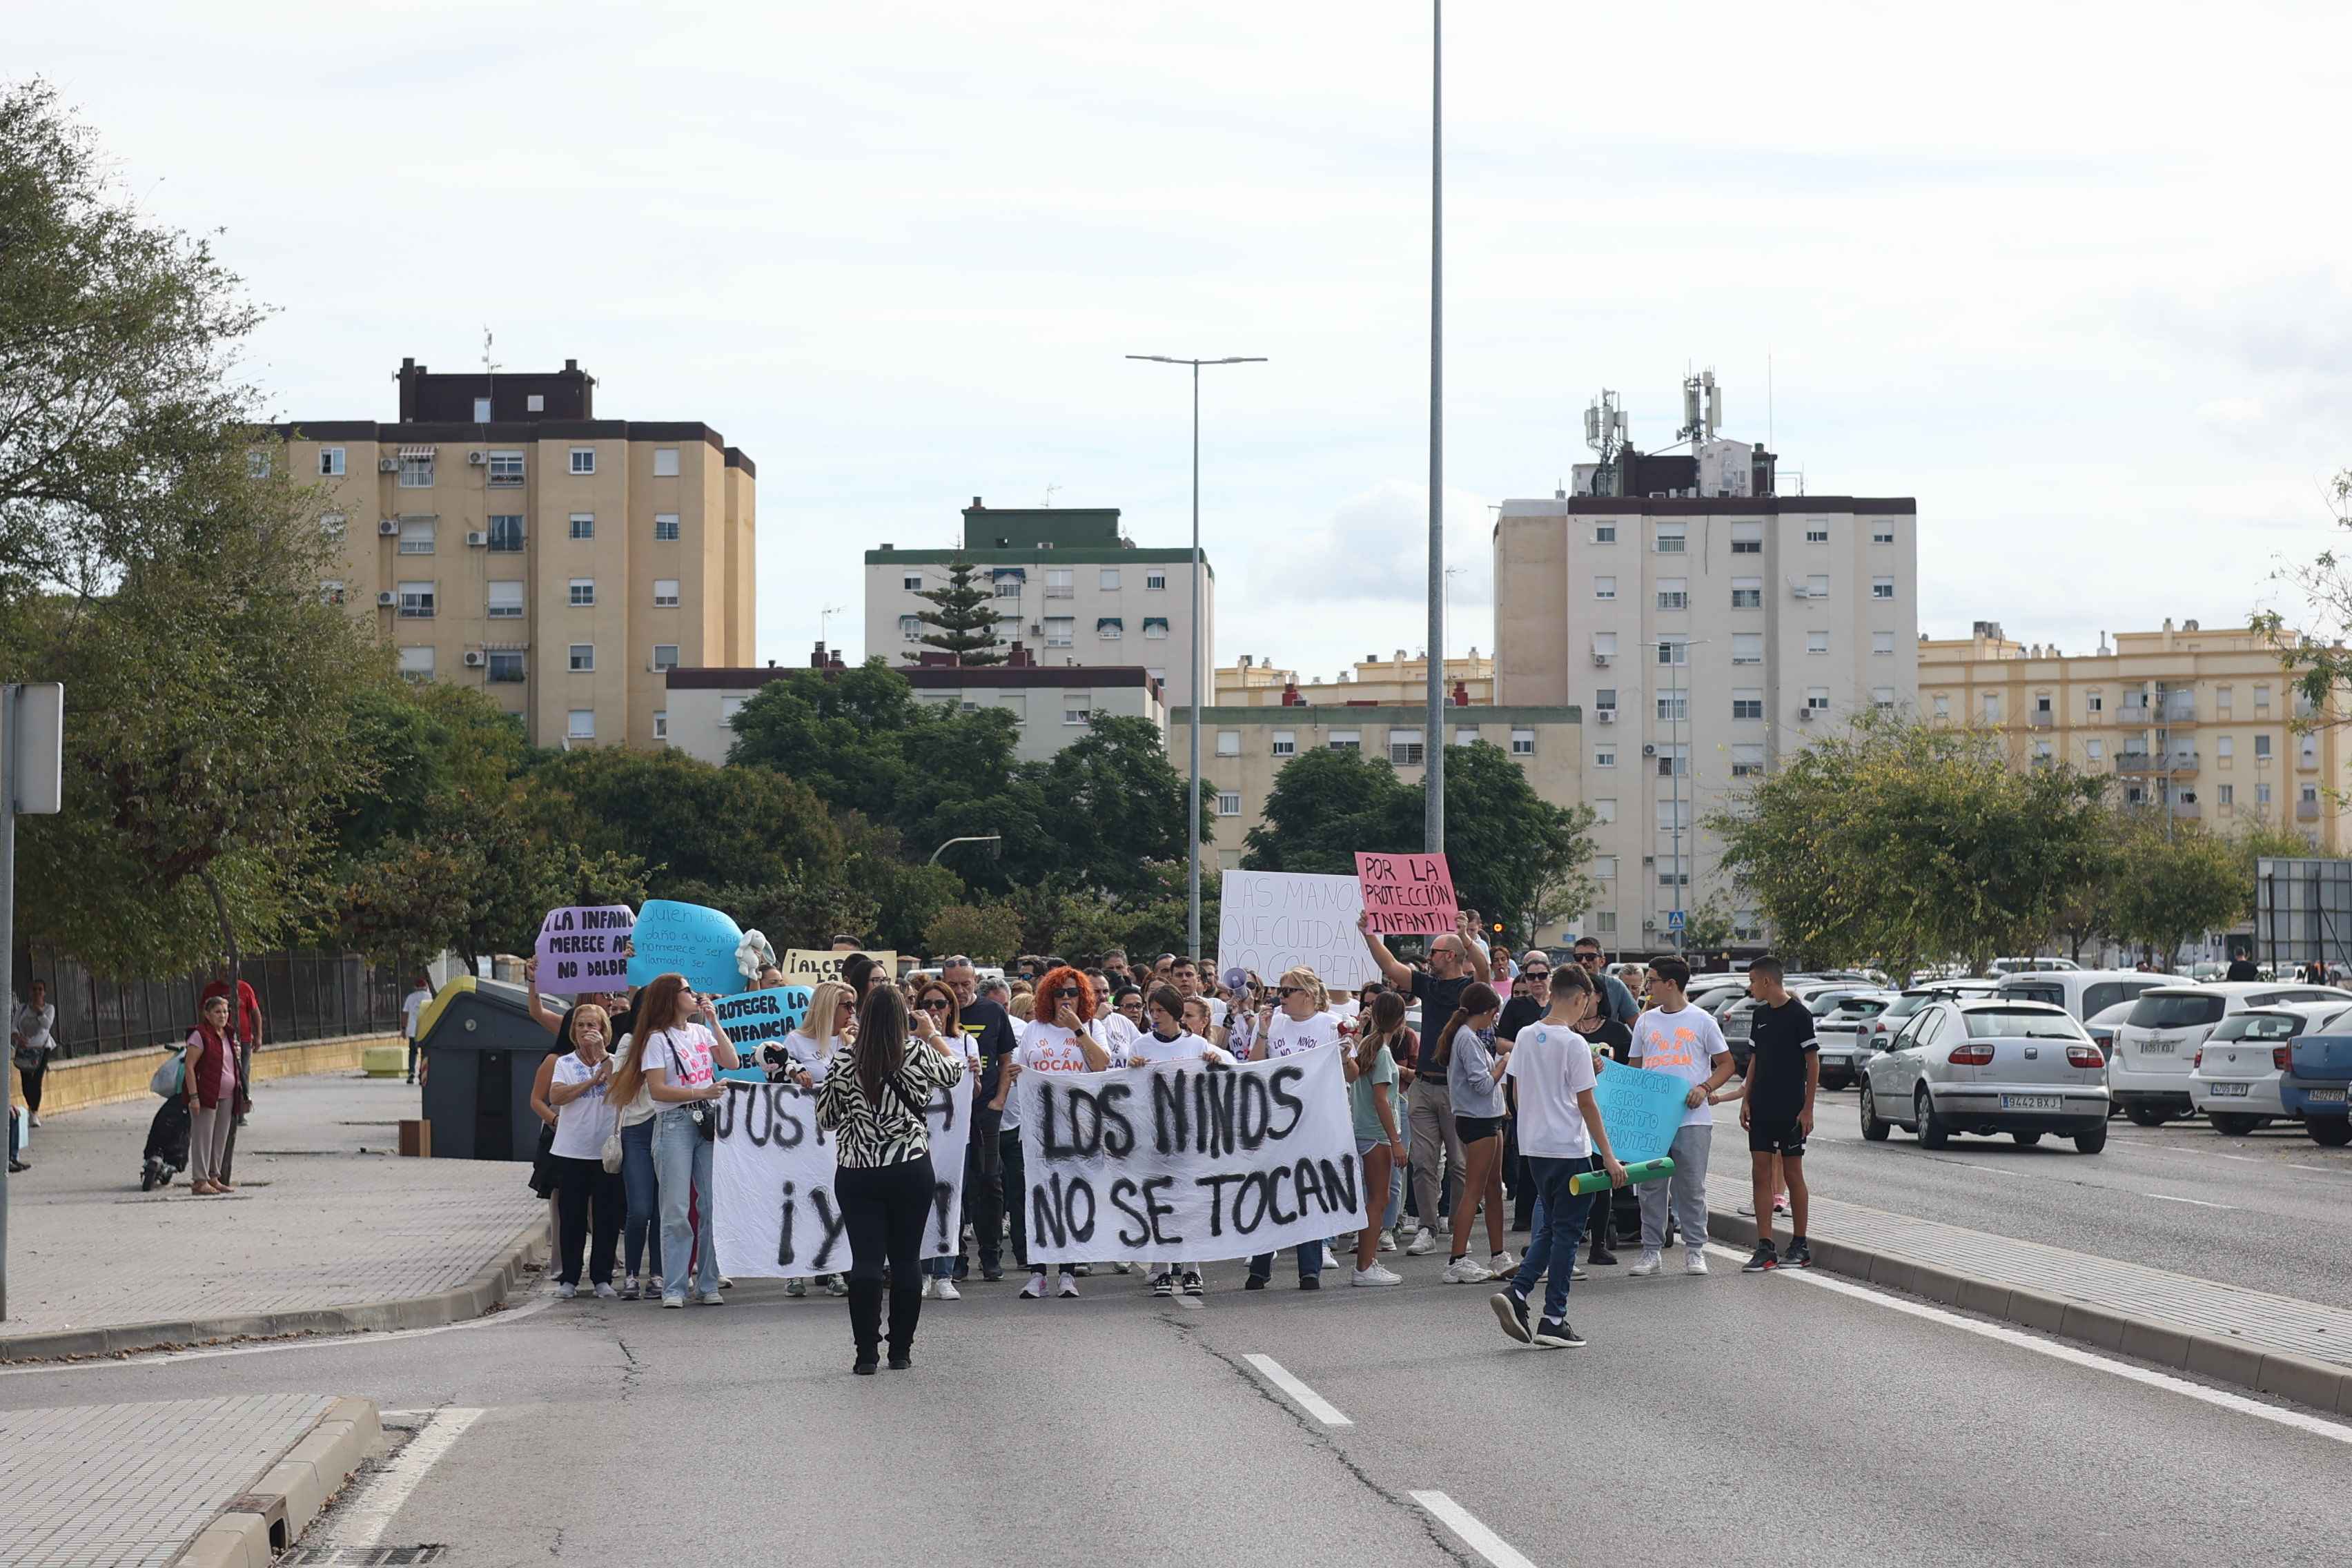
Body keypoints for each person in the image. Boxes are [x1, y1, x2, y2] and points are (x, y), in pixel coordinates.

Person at [805, 983, 963, 1373]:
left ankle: (865, 1354)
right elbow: (955, 1074)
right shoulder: (918, 1053)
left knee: (866, 1260)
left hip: (858, 1170)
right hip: (910, 1165)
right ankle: (901, 1350)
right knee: (907, 1258)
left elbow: (826, 1119)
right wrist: (932, 1036)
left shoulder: (844, 1060)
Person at [1491, 965, 1628, 1348]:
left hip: (1535, 1147)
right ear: (1582, 998)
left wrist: (1529, 1128)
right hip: (1569, 1148)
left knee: (1552, 1226)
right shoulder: (1574, 1044)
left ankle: (1518, 1295)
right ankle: (1554, 1318)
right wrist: (1611, 1157)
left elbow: (1516, 1092)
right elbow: (1587, 1102)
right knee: (1567, 1234)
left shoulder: (1525, 1034)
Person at [1361, 910, 1489, 1256]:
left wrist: (1466, 937)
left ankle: (1458, 1222)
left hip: (1456, 1087)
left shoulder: (1469, 989)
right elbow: (1390, 967)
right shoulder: (1428, 985)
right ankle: (1427, 1227)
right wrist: (1369, 934)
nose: (1427, 957)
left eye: (1433, 952)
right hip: (1423, 1085)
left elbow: (1485, 970)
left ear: (1449, 955)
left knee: (1460, 1164)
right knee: (1423, 1161)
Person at [613, 974, 740, 1308]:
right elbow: (657, 1089)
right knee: (675, 1209)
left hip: (707, 1122)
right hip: (674, 1123)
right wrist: (702, 1091)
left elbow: (731, 1061)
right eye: (687, 990)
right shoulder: (656, 1039)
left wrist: (714, 1020)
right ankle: (674, 1285)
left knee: (711, 1204)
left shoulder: (699, 1031)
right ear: (671, 998)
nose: (695, 994)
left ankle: (708, 1281)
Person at [995, 965, 1110, 1297]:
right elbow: (1021, 1067)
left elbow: (1102, 1065)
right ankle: (1038, 1271)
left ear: (1082, 996)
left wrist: (1078, 1031)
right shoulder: (1034, 1029)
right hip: (1038, 1128)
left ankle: (1068, 1272)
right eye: (1059, 993)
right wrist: (1018, 1073)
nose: (1065, 999)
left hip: (1077, 1129)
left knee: (1071, 1198)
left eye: (1072, 993)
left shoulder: (1092, 1026)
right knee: (1039, 1198)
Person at [1626, 955, 1733, 1279]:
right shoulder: (1646, 1022)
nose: (1648, 987)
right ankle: (1651, 1250)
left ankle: (1695, 1249)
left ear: (1671, 984)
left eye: (1653, 981)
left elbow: (1727, 1064)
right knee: (1651, 1186)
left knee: (1691, 1186)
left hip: (1692, 1118)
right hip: (1654, 1121)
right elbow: (1635, 1069)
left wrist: (1705, 1086)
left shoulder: (1702, 1021)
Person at [1127, 983, 1234, 1296]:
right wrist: (1131, 1070)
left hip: (1192, 1137)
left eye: (1160, 1011)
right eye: (1152, 1010)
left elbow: (1234, 1072)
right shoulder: (1141, 1046)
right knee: (1159, 1202)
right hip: (1155, 1137)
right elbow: (1129, 1091)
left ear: (1175, 1013)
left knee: (1191, 1203)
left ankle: (1190, 1269)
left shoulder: (1197, 1045)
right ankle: (1161, 1269)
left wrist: (1218, 1065)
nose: (1154, 1016)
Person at [1241, 966, 1343, 1288]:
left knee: (1307, 1192)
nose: (1280, 997)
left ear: (1308, 995)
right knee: (1269, 1191)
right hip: (1276, 1123)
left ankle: (1309, 1269)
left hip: (1314, 1122)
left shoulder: (1330, 1024)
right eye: (1279, 991)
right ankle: (1259, 1267)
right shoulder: (1274, 1023)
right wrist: (1263, 1030)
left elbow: (1348, 1073)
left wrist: (1346, 1051)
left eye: (1287, 991)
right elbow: (1254, 1066)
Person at [774, 980, 856, 1299]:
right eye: (846, 1005)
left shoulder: (851, 1041)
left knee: (835, 1199)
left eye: (853, 1005)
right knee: (801, 1198)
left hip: (841, 1134)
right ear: (827, 1007)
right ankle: (794, 1271)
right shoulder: (796, 1040)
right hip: (803, 1134)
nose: (851, 1012)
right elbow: (776, 1076)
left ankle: (833, 1267)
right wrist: (794, 1073)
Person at [1738, 955, 1819, 1273]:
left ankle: (1800, 1244)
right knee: (1760, 1171)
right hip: (1761, 1106)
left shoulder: (1799, 1015)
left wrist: (1808, 1108)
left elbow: (1813, 1064)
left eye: (1753, 981)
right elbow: (1756, 1060)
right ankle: (1765, 1247)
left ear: (1767, 981)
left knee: (1792, 1173)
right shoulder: (1759, 1015)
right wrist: (1746, 1098)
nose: (1751, 987)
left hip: (1790, 1108)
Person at [547, 1003, 626, 1299]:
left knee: (606, 1217)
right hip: (572, 1150)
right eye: (581, 1026)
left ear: (604, 1031)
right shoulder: (565, 1063)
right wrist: (591, 1081)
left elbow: (623, 1092)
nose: (587, 1031)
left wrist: (602, 1060)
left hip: (605, 1151)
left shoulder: (617, 1061)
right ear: (573, 1031)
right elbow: (556, 1095)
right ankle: (569, 1278)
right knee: (572, 1217)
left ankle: (602, 1277)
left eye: (593, 1025)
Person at [945, 959, 1017, 1284]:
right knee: (953, 1185)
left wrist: (999, 1100)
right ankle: (955, 1255)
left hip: (985, 1110)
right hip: (946, 1116)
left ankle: (990, 1254)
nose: (960, 991)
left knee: (989, 1180)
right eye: (954, 984)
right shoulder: (937, 1012)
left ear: (975, 981)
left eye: (966, 984)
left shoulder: (993, 1012)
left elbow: (1005, 1060)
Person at [1439, 981, 1514, 1282]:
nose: (1494, 1020)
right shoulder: (1467, 1039)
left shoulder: (1468, 1036)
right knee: (1475, 1189)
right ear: (1487, 1011)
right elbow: (1482, 1084)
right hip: (1477, 1120)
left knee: (1494, 1187)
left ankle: (1498, 1255)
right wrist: (1503, 1063)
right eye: (1494, 1014)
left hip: (1489, 1117)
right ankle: (1457, 1260)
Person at [910, 976, 977, 1302]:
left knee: (950, 1203)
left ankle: (945, 1273)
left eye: (941, 1004)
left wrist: (975, 1076)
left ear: (952, 1008)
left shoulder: (965, 1043)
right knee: (920, 1204)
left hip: (953, 1136)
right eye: (927, 1004)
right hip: (919, 1135)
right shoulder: (910, 1042)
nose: (935, 1010)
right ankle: (922, 1271)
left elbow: (970, 1092)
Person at [1573, 976, 1635, 1268]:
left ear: (1598, 996)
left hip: (1606, 1114)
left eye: (1587, 993)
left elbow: (1632, 1073)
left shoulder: (1618, 1031)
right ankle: (1563, 1240)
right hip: (1571, 1115)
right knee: (1569, 1180)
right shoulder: (1566, 1031)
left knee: (1601, 1180)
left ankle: (1598, 1243)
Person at [1349, 990, 1409, 1286]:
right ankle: (1365, 1265)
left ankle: (1367, 1261)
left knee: (1375, 1199)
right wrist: (1395, 1139)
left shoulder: (1368, 1047)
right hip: (1376, 1135)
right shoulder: (1382, 1053)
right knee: (1378, 1199)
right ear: (1400, 1021)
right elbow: (1381, 1100)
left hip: (1365, 1131)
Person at [606, 1006, 665, 1301]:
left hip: (669, 1126)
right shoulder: (630, 1041)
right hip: (638, 1130)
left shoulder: (678, 1037)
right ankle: (631, 1275)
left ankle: (658, 1273)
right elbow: (619, 1089)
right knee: (640, 1209)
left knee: (660, 1210)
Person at [182, 993, 240, 1195]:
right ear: (207, 1014)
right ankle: (200, 1181)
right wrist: (194, 1097)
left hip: (227, 1094)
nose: (223, 1015)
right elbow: (189, 1067)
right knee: (203, 1137)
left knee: (219, 1137)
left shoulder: (229, 1034)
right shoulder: (200, 1035)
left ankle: (214, 1178)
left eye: (225, 1011)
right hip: (206, 1094)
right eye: (217, 1012)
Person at [12, 979, 57, 1128]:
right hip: (25, 1050)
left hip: (42, 1049)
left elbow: (47, 1025)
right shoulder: (23, 1008)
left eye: (40, 990)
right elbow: (14, 1027)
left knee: (37, 1080)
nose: (37, 992)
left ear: (44, 992)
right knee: (26, 1084)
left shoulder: (49, 1008)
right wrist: (18, 1037)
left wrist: (39, 1010)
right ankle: (31, 1107)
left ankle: (34, 1114)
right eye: (35, 989)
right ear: (30, 992)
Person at [1572, 937, 1641, 1026]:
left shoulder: (1616, 986)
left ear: (1602, 961)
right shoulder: (1563, 986)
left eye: (1590, 957)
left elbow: (1638, 1026)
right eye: (1579, 957)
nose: (1584, 961)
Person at [400, 973, 433, 1086]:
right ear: (426, 986)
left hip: (413, 1030)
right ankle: (422, 1075)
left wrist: (403, 1029)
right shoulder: (430, 997)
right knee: (425, 1053)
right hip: (425, 1030)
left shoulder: (411, 997)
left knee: (413, 1052)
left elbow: (405, 1014)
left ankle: (411, 1073)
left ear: (415, 987)